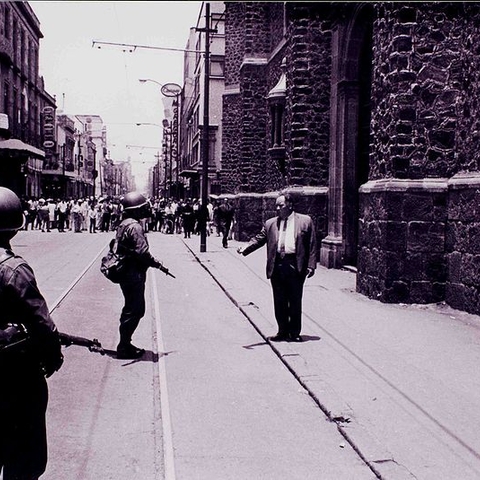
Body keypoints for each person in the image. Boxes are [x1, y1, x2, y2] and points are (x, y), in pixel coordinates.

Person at [0, 186, 64, 479]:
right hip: (12, 376)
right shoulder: (13, 269)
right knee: (25, 459)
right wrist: (52, 357)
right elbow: (41, 323)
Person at [237, 192, 316, 342]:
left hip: (295, 265)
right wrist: (245, 248)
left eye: (281, 205)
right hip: (277, 265)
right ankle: (282, 331)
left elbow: (312, 244)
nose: (277, 208)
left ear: (290, 205)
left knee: (294, 299)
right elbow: (259, 239)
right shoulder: (270, 223)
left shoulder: (305, 221)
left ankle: (294, 332)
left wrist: (311, 266)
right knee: (279, 300)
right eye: (276, 206)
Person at [115, 191, 168, 359]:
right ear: (135, 210)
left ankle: (124, 343)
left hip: (127, 273)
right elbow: (142, 253)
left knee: (131, 309)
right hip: (134, 274)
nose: (145, 210)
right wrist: (156, 263)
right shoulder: (135, 227)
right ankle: (124, 346)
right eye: (142, 208)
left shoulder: (124, 223)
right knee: (135, 310)